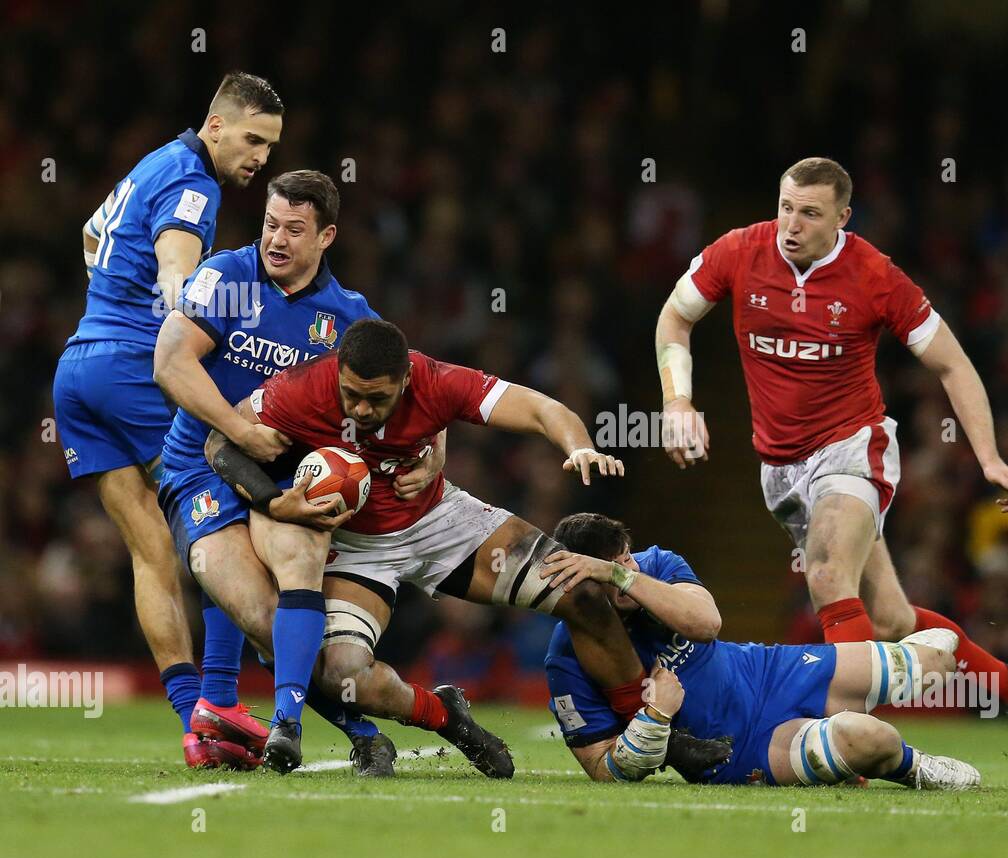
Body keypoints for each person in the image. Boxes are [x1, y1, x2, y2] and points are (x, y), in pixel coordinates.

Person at [652, 156, 1008, 773]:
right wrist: (677, 400)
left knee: (824, 577)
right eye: (786, 206)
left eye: (810, 213)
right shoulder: (738, 251)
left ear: (842, 217)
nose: (791, 224)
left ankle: (860, 743)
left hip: (851, 447)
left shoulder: (873, 275)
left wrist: (990, 458)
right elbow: (675, 317)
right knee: (891, 619)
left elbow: (951, 363)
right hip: (781, 468)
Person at [204, 319, 734, 776]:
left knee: (582, 592)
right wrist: (275, 503)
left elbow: (541, 408)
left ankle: (662, 736)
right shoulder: (302, 388)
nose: (362, 409)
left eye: (378, 398)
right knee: (343, 675)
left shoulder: (437, 380)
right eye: (352, 395)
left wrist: (579, 446)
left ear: (407, 379)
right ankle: (444, 713)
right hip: (357, 547)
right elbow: (220, 441)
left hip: (440, 521)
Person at [154, 169, 460, 775]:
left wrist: (435, 454)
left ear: (326, 237)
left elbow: (416, 387)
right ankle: (367, 730)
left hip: (285, 480)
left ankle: (280, 724)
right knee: (263, 617)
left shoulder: (346, 316)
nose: (277, 240)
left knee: (296, 605)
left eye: (295, 229)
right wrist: (241, 431)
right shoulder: (226, 276)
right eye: (271, 224)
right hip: (200, 468)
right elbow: (170, 364)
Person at [51, 73, 284, 766]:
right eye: (251, 140)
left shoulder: (151, 163)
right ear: (215, 125)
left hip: (78, 371)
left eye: (269, 147)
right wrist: (187, 311)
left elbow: (93, 241)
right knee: (221, 515)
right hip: (132, 367)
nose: (260, 159)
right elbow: (176, 267)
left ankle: (196, 722)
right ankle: (222, 699)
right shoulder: (194, 183)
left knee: (151, 549)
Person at [540, 513, 980, 788]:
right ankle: (914, 769)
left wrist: (622, 576)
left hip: (767, 670)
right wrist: (656, 720)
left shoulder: (655, 565)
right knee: (871, 737)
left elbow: (707, 623)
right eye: (612, 568)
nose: (629, 569)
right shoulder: (567, 657)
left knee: (939, 657)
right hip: (743, 747)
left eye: (627, 558)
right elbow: (600, 766)